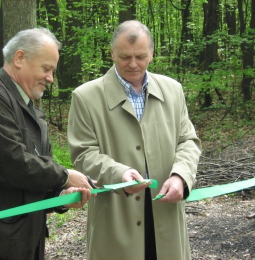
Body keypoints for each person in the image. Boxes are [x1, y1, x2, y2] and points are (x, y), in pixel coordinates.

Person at [67, 20, 202, 260]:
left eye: (140, 56)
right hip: (115, 222)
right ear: (111, 54)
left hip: (166, 217)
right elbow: (83, 153)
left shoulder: (173, 90)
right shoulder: (86, 97)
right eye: (124, 57)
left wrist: (181, 175)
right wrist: (118, 174)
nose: (132, 64)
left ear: (152, 53)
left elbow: (187, 141)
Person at [0, 28, 93, 260]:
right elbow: (10, 163)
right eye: (46, 68)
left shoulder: (35, 114)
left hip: (25, 245)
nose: (50, 78)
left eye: (52, 70)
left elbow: (33, 180)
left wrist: (61, 197)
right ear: (19, 58)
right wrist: (64, 175)